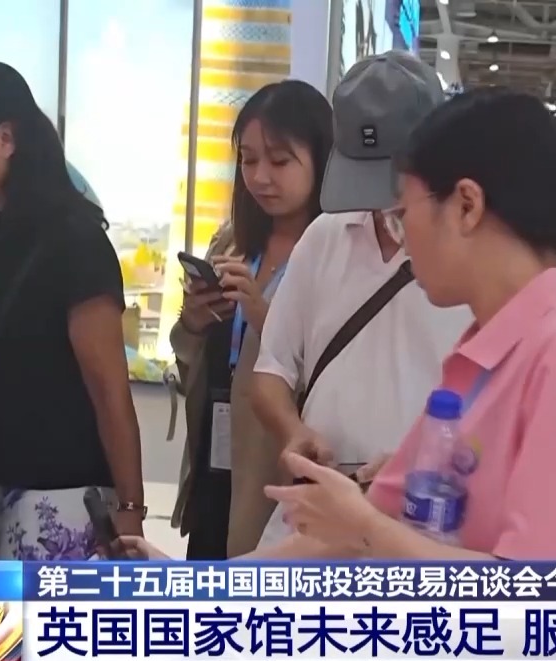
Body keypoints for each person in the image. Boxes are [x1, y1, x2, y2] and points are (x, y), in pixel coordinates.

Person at [113, 86, 556, 561]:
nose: (399, 238)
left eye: (403, 213)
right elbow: (341, 532)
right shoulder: (480, 353)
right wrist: (193, 590)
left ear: (466, 206)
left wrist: (366, 529)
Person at [0, 61, 144, 560]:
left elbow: (109, 390)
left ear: (6, 137)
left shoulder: (74, 240)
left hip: (58, 508)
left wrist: (130, 508)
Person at [248, 51, 473, 551]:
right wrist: (293, 431)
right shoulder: (324, 238)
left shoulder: (470, 260)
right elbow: (271, 371)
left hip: (423, 527)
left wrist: (421, 465)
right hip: (317, 512)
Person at [170, 80, 334, 560]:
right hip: (214, 454)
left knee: (253, 578)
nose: (260, 177)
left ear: (321, 160)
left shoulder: (332, 253)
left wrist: (265, 317)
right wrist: (195, 320)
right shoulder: (231, 241)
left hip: (274, 467)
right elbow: (192, 358)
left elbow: (332, 373)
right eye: (248, 159)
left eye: (280, 161)